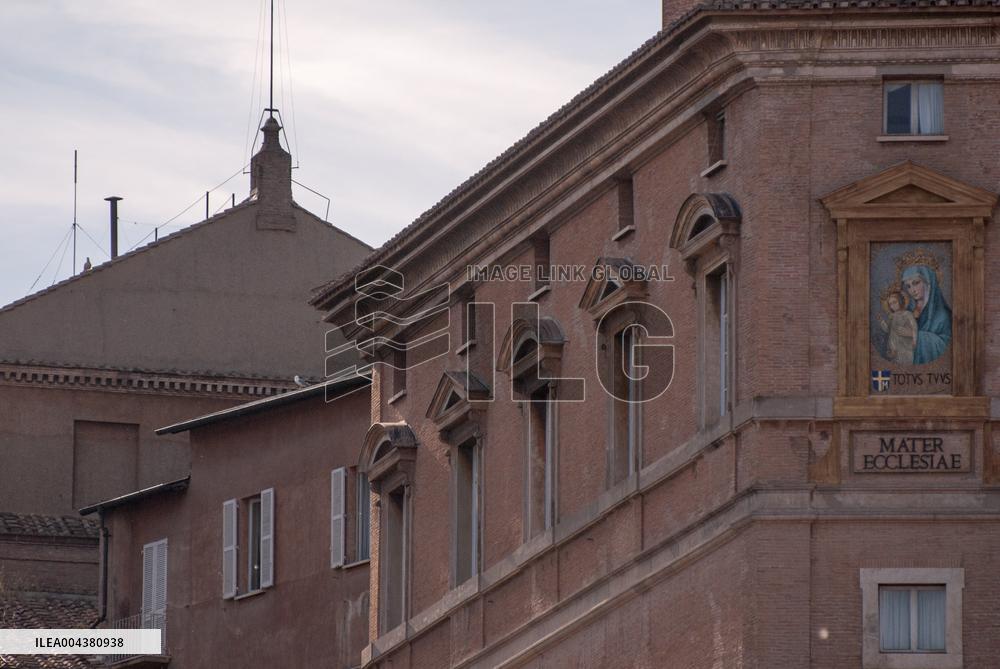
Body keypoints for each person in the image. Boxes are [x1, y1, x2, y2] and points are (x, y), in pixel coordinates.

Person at [900, 264, 951, 364]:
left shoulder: (943, 315)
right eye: (908, 286)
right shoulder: (907, 311)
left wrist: (915, 335)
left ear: (928, 282)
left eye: (916, 283)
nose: (912, 290)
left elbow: (946, 346)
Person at [878, 291, 917, 364]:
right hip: (894, 348)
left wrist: (914, 340)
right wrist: (881, 321)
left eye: (894, 302)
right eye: (890, 304)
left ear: (900, 301)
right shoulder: (891, 316)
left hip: (906, 346)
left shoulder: (908, 314)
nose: (893, 306)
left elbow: (914, 327)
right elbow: (888, 330)